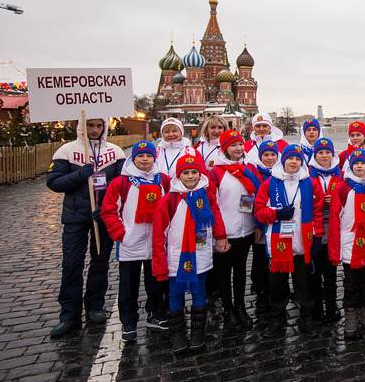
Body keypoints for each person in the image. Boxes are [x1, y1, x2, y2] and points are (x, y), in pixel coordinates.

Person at [47, 117, 125, 337]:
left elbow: (122, 183)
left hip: (103, 216)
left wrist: (108, 205)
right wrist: (80, 174)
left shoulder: (115, 152)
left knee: (100, 262)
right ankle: (69, 315)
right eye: (90, 125)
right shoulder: (67, 151)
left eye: (99, 126)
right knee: (72, 264)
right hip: (75, 216)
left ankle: (95, 306)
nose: (94, 130)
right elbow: (54, 182)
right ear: (82, 127)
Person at [152, 154, 228, 352]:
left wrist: (221, 237)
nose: (191, 176)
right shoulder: (169, 199)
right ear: (179, 176)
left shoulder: (207, 195)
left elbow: (216, 216)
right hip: (176, 255)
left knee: (199, 290)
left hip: (200, 252)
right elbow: (159, 231)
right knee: (175, 292)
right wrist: (159, 259)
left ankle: (197, 332)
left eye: (194, 172)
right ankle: (177, 334)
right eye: (186, 173)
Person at [100, 140, 170, 342]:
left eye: (148, 156)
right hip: (131, 242)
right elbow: (109, 210)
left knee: (156, 281)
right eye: (140, 156)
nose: (145, 160)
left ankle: (155, 313)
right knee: (128, 285)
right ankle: (128, 321)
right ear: (134, 159)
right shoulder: (121, 182)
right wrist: (121, 234)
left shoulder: (162, 180)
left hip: (157, 242)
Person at [253, 144, 326, 337]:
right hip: (278, 243)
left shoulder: (311, 183)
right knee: (277, 284)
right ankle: (277, 316)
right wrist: (276, 214)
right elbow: (259, 211)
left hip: (303, 242)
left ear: (301, 162)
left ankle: (307, 316)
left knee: (304, 284)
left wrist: (317, 237)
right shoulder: (269, 183)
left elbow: (317, 213)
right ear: (283, 160)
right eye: (290, 158)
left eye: (297, 159)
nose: (293, 162)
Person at [330, 148, 365, 339]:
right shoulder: (342, 188)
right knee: (350, 282)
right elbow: (336, 220)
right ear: (350, 166)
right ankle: (351, 316)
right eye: (356, 164)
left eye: (363, 163)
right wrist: (335, 250)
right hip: (349, 243)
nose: (359, 166)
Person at [206, 130, 259, 330]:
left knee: (240, 271)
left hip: (245, 231)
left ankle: (240, 306)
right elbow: (213, 206)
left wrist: (256, 225)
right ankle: (227, 310)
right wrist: (219, 235)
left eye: (240, 145)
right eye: (233, 145)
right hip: (224, 234)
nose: (238, 149)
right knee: (223, 273)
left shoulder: (248, 169)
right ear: (224, 149)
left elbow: (256, 200)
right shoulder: (216, 173)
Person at [309, 138, 343, 323]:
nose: (324, 156)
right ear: (315, 155)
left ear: (332, 154)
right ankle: (316, 305)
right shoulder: (307, 173)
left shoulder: (341, 173)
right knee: (314, 268)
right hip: (315, 225)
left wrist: (335, 200)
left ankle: (331, 303)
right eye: (320, 153)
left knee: (331, 270)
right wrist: (322, 200)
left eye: (327, 152)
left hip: (334, 227)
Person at [248, 140, 280, 316]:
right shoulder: (255, 173)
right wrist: (257, 224)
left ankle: (275, 294)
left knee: (275, 261)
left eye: (272, 155)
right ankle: (262, 294)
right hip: (260, 224)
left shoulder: (281, 173)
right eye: (266, 155)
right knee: (260, 263)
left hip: (277, 225)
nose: (269, 158)